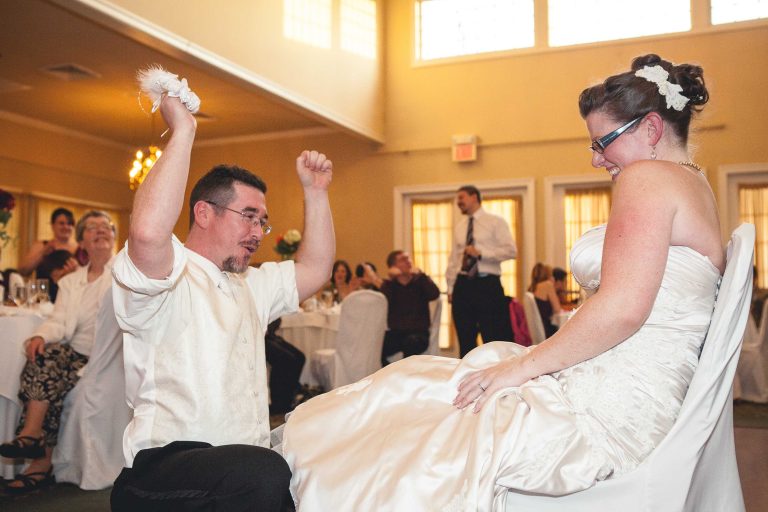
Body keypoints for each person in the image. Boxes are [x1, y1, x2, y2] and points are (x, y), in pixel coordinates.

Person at [282, 54, 721, 510]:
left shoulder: (647, 177)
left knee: (418, 409)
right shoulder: (695, 186)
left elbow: (624, 308)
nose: (595, 159)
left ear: (650, 129)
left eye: (602, 142)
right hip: (642, 390)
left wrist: (522, 368)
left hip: (610, 406)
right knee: (427, 384)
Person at [109, 94, 334, 511]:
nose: (257, 230)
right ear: (204, 213)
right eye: (248, 216)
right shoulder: (168, 276)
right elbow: (146, 235)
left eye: (262, 221)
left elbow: (316, 269)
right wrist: (184, 131)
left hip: (240, 471)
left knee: (318, 461)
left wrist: (315, 193)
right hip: (164, 470)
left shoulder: (249, 284)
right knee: (265, 473)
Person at [0, 211, 116, 494]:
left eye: (106, 227)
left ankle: (34, 444)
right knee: (42, 357)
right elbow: (58, 321)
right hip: (74, 353)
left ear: (114, 237)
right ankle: (37, 450)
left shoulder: (125, 274)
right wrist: (39, 334)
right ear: (81, 241)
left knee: (49, 363)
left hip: (108, 355)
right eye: (91, 228)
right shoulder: (70, 282)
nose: (100, 230)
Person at [446, 185, 517, 357]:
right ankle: (465, 379)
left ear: (474, 197)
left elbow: (511, 251)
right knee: (465, 338)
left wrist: (482, 254)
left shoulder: (495, 222)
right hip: (462, 285)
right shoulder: (460, 226)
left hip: (487, 285)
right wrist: (450, 288)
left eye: (461, 198)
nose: (458, 202)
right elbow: (454, 259)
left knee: (494, 337)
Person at [379, 250, 440, 366]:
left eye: (408, 259)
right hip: (396, 333)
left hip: (418, 334)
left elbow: (434, 294)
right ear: (393, 266)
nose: (408, 262)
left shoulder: (419, 281)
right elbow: (382, 301)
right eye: (403, 260)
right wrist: (390, 279)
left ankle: (405, 375)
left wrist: (422, 275)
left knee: (411, 343)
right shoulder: (390, 286)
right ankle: (391, 374)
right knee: (375, 345)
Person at [18, 208, 80, 302]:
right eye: (61, 223)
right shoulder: (41, 245)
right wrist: (43, 252)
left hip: (71, 300)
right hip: (42, 300)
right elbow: (23, 270)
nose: (66, 227)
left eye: (70, 224)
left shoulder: (80, 249)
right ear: (52, 225)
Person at [265, 318, 306, 415]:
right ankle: (278, 403)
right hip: (258, 336)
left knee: (300, 357)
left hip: (269, 334)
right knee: (286, 359)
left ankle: (289, 397)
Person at [528, 262, 562, 338]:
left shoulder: (531, 288)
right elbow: (557, 309)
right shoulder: (547, 285)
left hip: (537, 330)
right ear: (549, 275)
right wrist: (552, 284)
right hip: (547, 330)